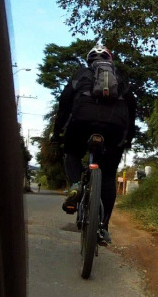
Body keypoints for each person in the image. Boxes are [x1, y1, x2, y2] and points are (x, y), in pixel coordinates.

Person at [50, 45, 136, 245]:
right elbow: (132, 111)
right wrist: (127, 138)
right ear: (110, 60)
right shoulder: (120, 78)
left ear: (89, 61)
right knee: (107, 175)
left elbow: (64, 104)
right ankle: (103, 227)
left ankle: (75, 186)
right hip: (115, 127)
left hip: (82, 122)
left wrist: (57, 132)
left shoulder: (81, 74)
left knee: (71, 153)